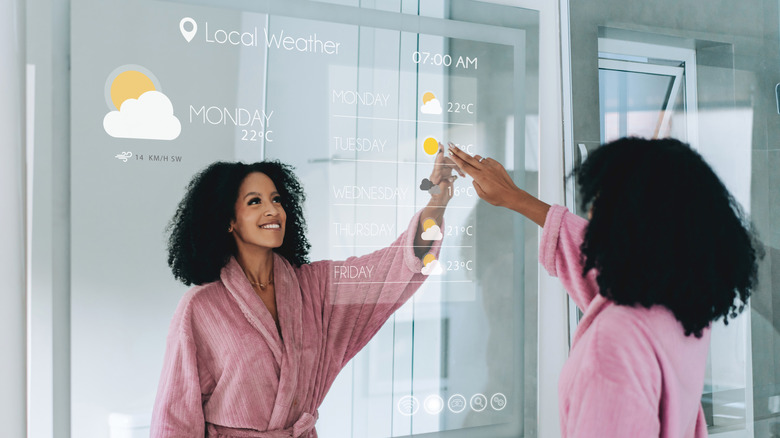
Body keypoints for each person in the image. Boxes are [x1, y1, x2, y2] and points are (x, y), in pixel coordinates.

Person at [447, 137, 761, 437]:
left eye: (599, 204)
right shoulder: (681, 306)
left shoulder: (613, 346)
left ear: (627, 224)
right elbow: (597, 258)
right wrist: (516, 199)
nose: (592, 215)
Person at [150, 144, 462, 437]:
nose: (273, 210)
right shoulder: (201, 308)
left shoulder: (317, 288)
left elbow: (391, 267)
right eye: (255, 201)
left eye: (276, 200)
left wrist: (437, 202)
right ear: (229, 220)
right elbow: (175, 415)